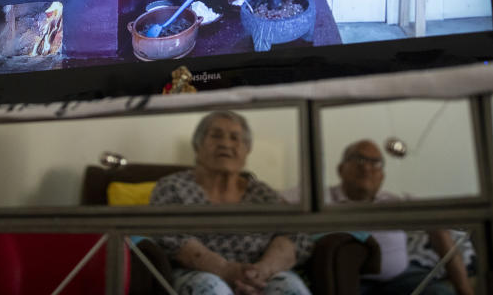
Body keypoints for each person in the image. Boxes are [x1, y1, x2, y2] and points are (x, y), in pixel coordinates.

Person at [150, 111, 312, 295]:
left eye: (235, 138)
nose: (225, 144)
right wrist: (225, 269)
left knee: (288, 288)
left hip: (262, 275)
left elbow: (297, 236)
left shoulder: (263, 194)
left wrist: (260, 271)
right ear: (197, 145)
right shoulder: (173, 187)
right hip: (198, 273)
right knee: (210, 287)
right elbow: (168, 236)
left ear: (246, 150)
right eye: (216, 135)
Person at [329, 140, 474, 295]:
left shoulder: (395, 201)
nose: (366, 167)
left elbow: (438, 229)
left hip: (402, 277)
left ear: (382, 176)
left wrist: (464, 290)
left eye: (375, 163)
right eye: (359, 159)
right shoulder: (322, 200)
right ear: (341, 169)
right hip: (349, 281)